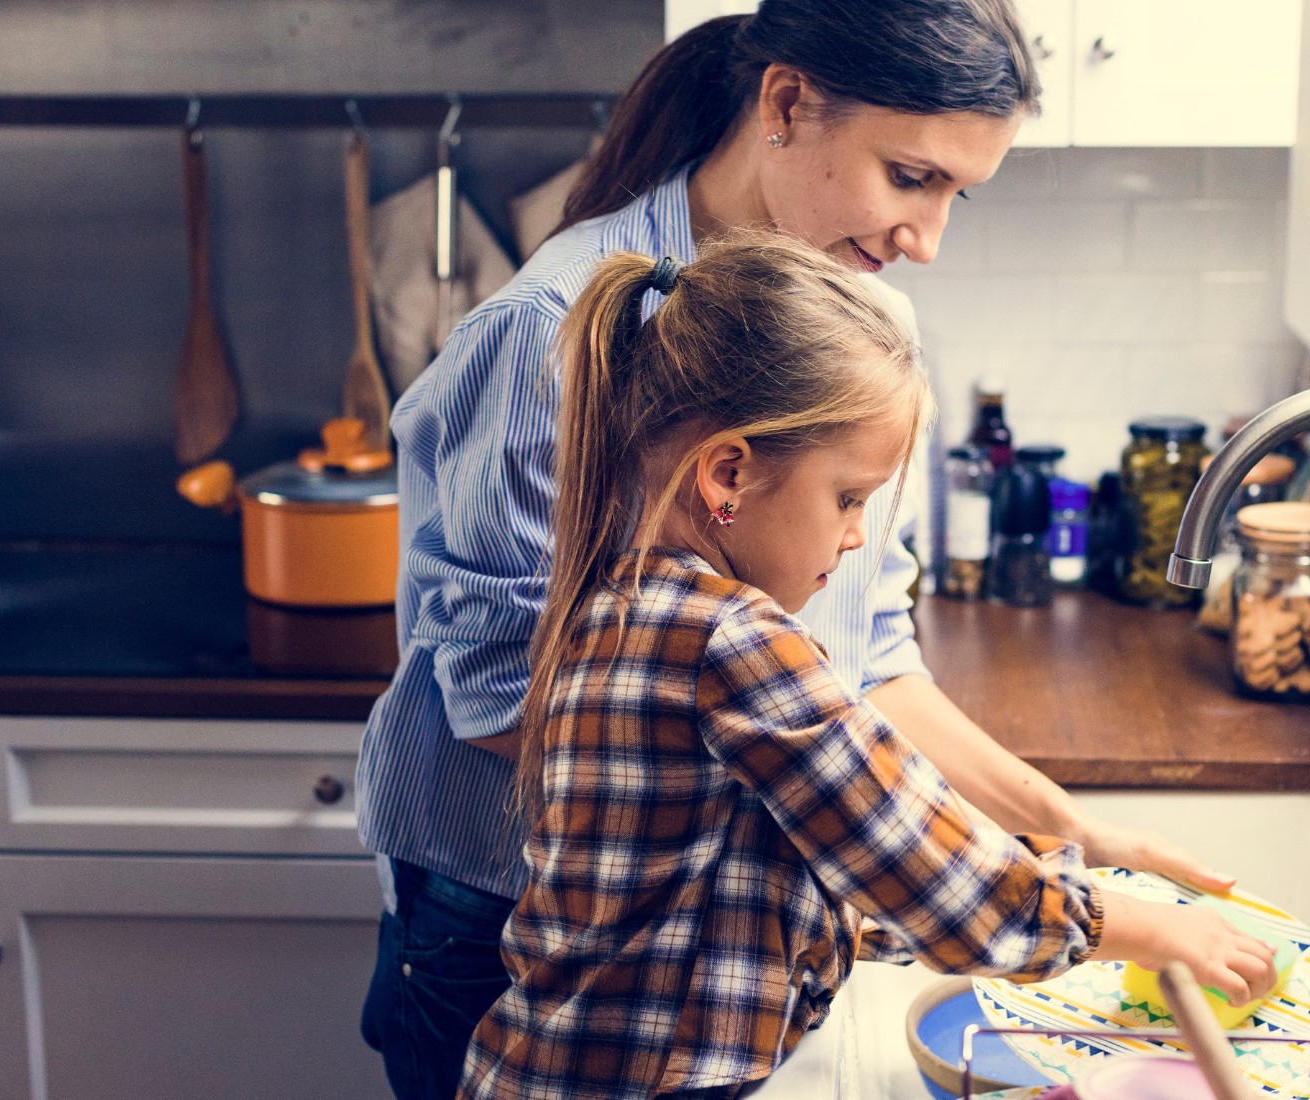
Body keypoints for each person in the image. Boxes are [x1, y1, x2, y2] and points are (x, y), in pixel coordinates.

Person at [356, 4, 1239, 1097]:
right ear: (783, 104)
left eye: (956, 193)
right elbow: (496, 696)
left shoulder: (864, 332)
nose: (926, 237)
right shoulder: (548, 330)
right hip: (513, 937)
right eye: (909, 175)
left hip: (717, 944)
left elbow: (865, 655)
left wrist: (1053, 823)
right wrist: (862, 829)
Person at [453, 236, 1277, 1099]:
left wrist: (1058, 882)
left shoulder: (626, 600)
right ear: (728, 473)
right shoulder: (728, 639)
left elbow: (821, 877)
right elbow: (933, 871)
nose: (855, 535)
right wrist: (1151, 929)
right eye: (848, 497)